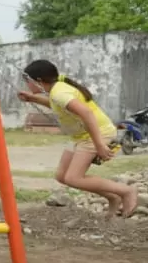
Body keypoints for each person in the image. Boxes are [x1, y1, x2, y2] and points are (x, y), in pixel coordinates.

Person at [18, 60, 136, 218]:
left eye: (28, 82)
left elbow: (86, 113)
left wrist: (99, 144)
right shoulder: (57, 89)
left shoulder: (59, 92)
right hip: (80, 136)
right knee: (62, 176)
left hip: (97, 133)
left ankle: (126, 191)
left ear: (39, 81)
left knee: (74, 178)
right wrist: (33, 98)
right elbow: (57, 104)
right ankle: (113, 197)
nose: (27, 86)